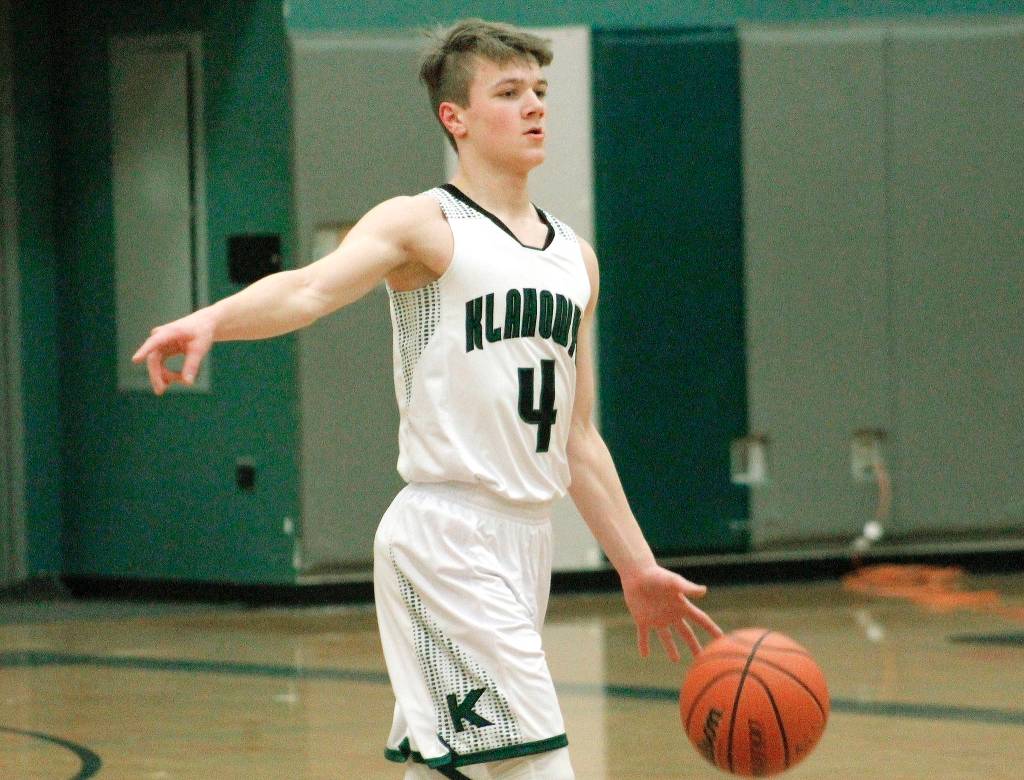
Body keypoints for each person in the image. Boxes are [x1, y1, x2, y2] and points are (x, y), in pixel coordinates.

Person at [133, 19, 723, 780]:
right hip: (447, 534)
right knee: (536, 766)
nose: (535, 106)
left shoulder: (576, 259)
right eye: (509, 93)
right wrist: (213, 317)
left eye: (540, 90)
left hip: (525, 540)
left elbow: (577, 436)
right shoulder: (425, 224)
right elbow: (310, 289)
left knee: (454, 768)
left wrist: (636, 568)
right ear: (457, 118)